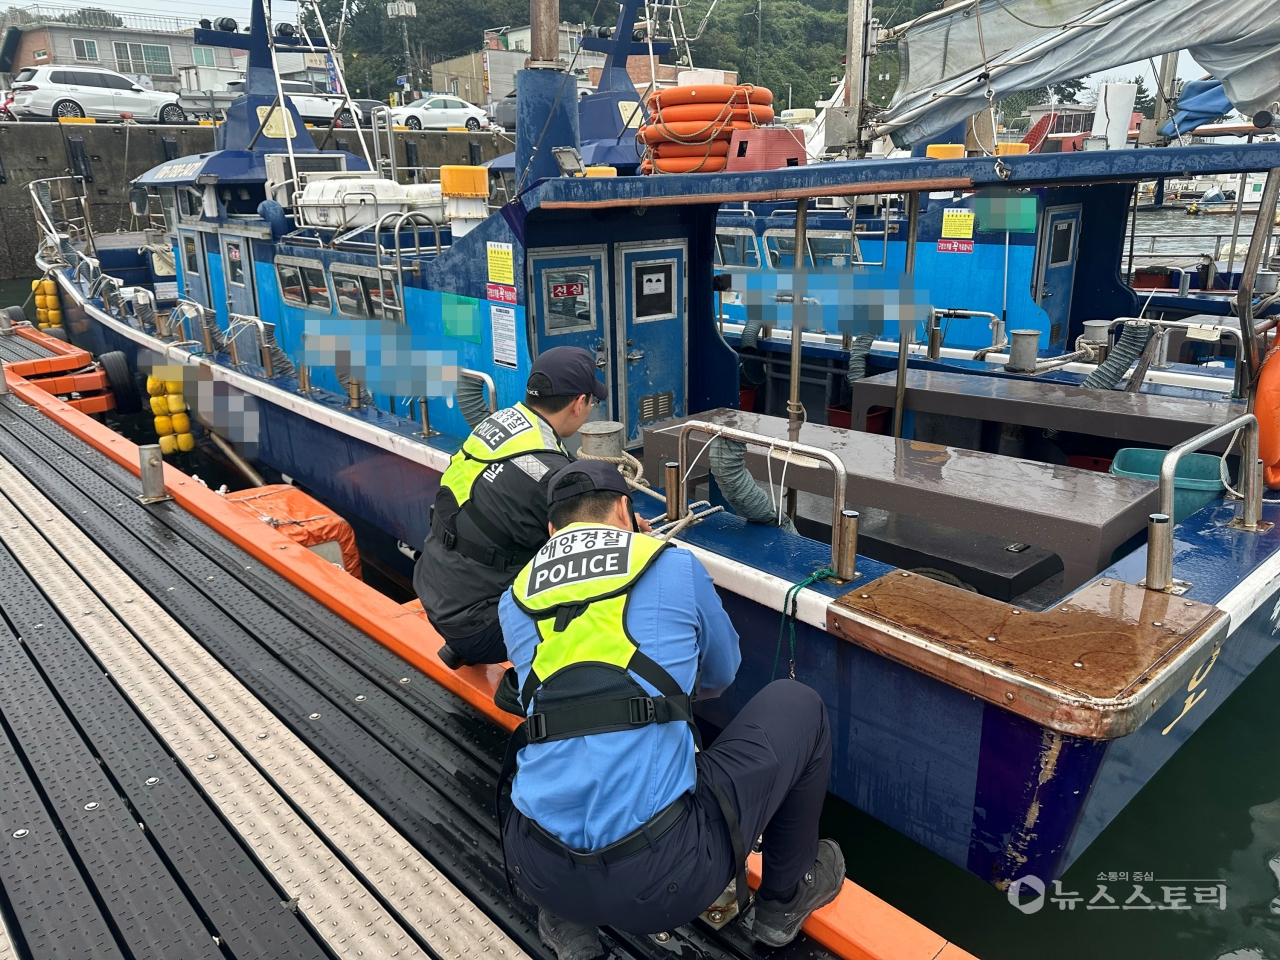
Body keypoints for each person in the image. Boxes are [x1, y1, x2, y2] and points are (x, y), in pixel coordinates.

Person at [497, 460, 844, 959]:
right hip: (665, 884)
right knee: (798, 704)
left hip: (538, 870)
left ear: (552, 532)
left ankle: (567, 920)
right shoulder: (669, 562)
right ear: (625, 509)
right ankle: (784, 903)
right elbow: (723, 674)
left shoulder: (516, 597)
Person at [414, 346, 606, 669]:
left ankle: (466, 643)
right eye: (591, 401)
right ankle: (536, 685)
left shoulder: (502, 423)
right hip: (478, 625)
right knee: (595, 593)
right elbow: (594, 544)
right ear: (578, 404)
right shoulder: (549, 472)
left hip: (434, 589)